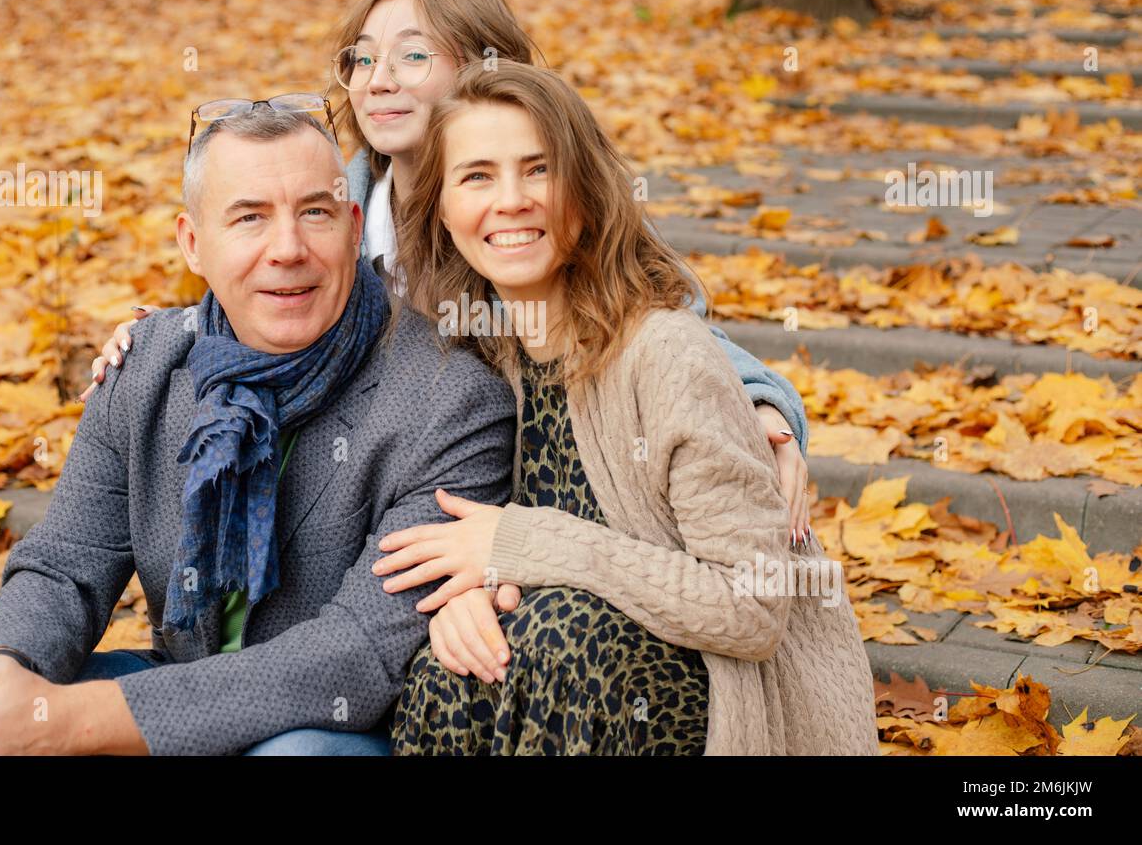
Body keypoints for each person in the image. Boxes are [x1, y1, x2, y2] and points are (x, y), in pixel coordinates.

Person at [80, 0, 815, 550]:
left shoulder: (528, 213)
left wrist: (762, 405)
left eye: (412, 55)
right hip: (360, 517)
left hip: (523, 504)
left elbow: (658, 322)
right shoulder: (328, 203)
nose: (377, 78)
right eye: (360, 59)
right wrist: (168, 336)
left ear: (486, 71)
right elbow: (257, 294)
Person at [0, 103, 515, 756]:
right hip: (178, 689)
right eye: (249, 218)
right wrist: (3, 668)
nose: (288, 249)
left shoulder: (450, 402)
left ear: (354, 228)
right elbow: (63, 569)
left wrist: (72, 722)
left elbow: (351, 657)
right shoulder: (147, 365)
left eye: (315, 212)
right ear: (192, 243)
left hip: (337, 727)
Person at [375, 61, 879, 755]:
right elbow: (467, 540)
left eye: (539, 170)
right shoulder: (465, 354)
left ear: (585, 194)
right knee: (451, 668)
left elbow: (754, 609)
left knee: (565, 637)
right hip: (555, 666)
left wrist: (529, 544)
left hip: (707, 688)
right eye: (477, 176)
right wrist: (463, 593)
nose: (512, 200)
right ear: (441, 207)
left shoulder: (666, 353)